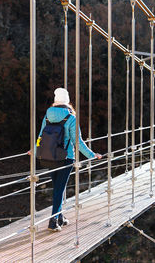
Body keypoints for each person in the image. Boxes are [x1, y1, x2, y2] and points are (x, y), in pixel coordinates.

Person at [32, 87, 102, 232]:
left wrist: (34, 150)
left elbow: (40, 136)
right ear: (68, 101)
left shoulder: (47, 116)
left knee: (58, 188)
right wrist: (92, 155)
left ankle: (60, 217)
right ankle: (53, 221)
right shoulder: (71, 118)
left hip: (48, 157)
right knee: (59, 189)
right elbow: (78, 142)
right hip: (66, 158)